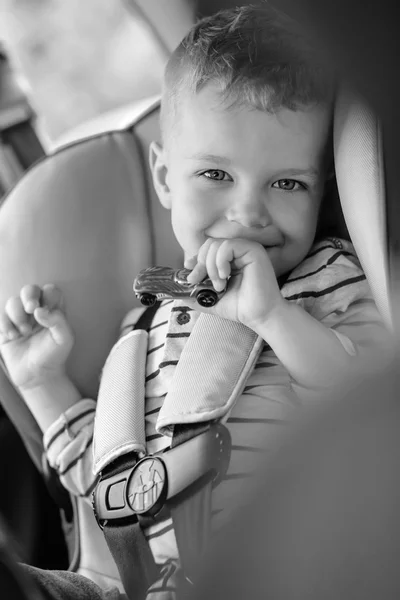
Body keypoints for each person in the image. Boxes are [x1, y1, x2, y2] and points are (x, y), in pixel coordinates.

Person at [0, 2, 388, 599]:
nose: (249, 213)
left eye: (287, 184)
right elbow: (113, 489)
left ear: (323, 190)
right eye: (215, 175)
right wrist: (42, 383)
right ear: (163, 178)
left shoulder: (327, 278)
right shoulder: (146, 322)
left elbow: (369, 408)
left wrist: (272, 317)